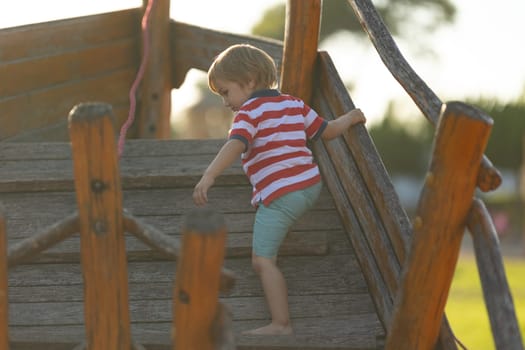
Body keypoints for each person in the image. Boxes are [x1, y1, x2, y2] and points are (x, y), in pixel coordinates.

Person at [192, 44, 366, 335]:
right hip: (309, 184)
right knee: (275, 232)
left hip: (281, 195)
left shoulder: (248, 112)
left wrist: (209, 175)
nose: (225, 102)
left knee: (262, 261)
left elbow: (235, 144)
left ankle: (281, 324)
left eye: (225, 92)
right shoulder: (293, 104)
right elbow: (327, 131)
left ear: (248, 81)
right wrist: (351, 117)